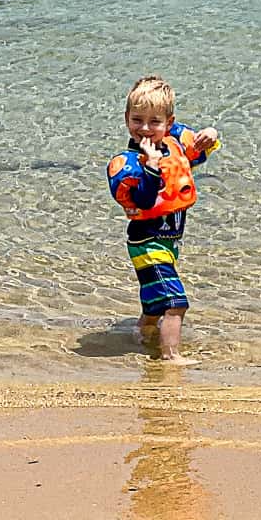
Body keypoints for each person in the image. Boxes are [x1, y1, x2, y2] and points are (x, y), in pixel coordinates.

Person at [107, 74, 220, 362]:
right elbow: (143, 200)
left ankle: (140, 335)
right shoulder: (127, 164)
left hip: (169, 242)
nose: (145, 128)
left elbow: (198, 149)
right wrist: (152, 168)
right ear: (126, 119)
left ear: (168, 123)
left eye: (154, 121)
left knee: (155, 305)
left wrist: (211, 136)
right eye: (137, 120)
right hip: (146, 242)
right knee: (175, 303)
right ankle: (171, 357)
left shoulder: (174, 145)